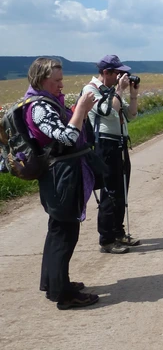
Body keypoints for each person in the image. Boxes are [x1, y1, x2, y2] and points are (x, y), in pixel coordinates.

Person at [25, 57, 100, 309]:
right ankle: (64, 295)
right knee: (64, 234)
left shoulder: (47, 103)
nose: (61, 84)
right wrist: (80, 109)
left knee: (59, 231)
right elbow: (67, 138)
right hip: (59, 178)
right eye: (56, 80)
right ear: (42, 80)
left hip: (61, 176)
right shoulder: (39, 107)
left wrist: (81, 112)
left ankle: (55, 283)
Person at [84, 54, 140, 254]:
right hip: (105, 146)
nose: (121, 76)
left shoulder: (111, 90)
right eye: (118, 73)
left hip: (120, 144)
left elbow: (131, 115)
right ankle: (106, 239)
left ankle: (118, 232)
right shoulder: (91, 90)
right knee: (110, 192)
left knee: (122, 189)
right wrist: (119, 90)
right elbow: (108, 111)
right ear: (106, 72)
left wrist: (132, 94)